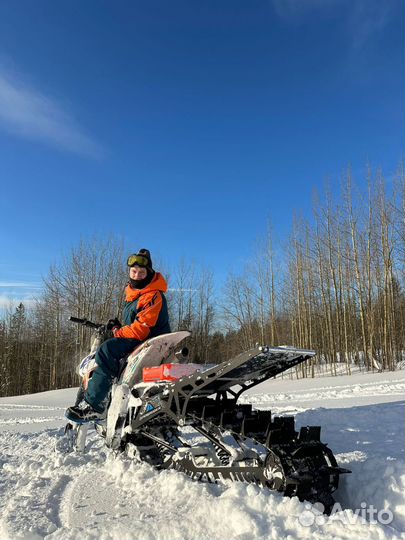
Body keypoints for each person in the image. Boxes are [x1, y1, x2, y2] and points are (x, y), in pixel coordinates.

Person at [65, 248, 171, 423]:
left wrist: (116, 331)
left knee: (107, 350)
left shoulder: (152, 295)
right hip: (143, 338)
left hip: (151, 342)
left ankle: (95, 406)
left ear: (149, 273)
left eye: (142, 272)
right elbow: (136, 324)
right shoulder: (136, 295)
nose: (137, 275)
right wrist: (119, 327)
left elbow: (140, 329)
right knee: (113, 351)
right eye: (134, 271)